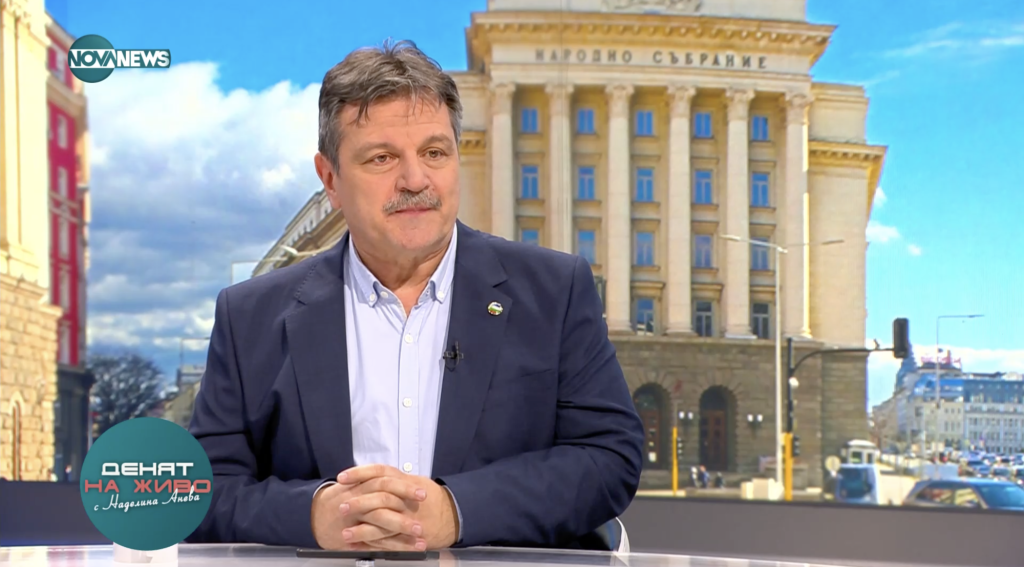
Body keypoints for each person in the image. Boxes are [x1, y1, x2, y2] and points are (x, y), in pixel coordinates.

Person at [186, 39, 644, 552]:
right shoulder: (248, 317)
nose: (415, 179)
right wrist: (313, 515)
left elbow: (608, 459)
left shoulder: (555, 291)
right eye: (382, 158)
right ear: (331, 179)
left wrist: (457, 510)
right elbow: (205, 491)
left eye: (434, 153)